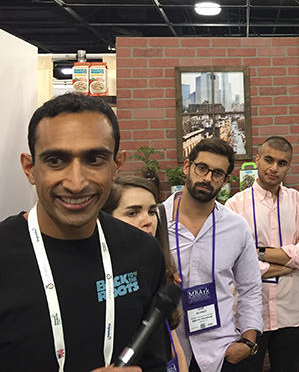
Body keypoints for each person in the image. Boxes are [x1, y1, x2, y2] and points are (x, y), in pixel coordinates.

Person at [0, 92, 167, 372]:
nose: (76, 183)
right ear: (30, 168)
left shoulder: (143, 252)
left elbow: (154, 362)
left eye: (94, 159)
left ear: (116, 166)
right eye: (55, 161)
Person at [163, 137, 263, 372]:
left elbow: (250, 288)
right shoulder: (156, 220)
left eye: (217, 173)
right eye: (202, 168)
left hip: (221, 352)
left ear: (226, 180)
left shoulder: (236, 227)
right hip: (169, 351)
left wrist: (248, 343)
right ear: (187, 167)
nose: (207, 178)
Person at [225, 136, 299, 372]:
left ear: (289, 166)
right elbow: (234, 264)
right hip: (248, 318)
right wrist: (288, 263)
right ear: (257, 159)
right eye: (269, 160)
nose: (274, 168)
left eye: (282, 163)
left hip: (291, 313)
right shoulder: (235, 206)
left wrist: (260, 253)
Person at [103, 174, 189, 372]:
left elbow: (165, 330)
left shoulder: (156, 264)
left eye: (152, 211)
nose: (147, 220)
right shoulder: (101, 274)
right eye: (132, 213)